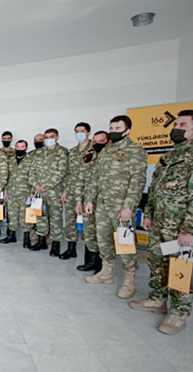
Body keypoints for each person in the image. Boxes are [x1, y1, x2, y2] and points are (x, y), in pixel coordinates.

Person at [130, 110, 193, 334]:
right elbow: (154, 190)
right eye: (176, 124)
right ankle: (157, 299)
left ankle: (179, 313)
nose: (175, 128)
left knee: (182, 268)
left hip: (183, 227)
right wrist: (148, 214)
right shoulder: (169, 157)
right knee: (157, 263)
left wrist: (189, 230)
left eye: (182, 125)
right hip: (160, 222)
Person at [84, 115, 147, 299]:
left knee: (124, 243)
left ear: (127, 131)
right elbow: (96, 177)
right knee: (103, 239)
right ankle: (106, 272)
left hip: (121, 206)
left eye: (118, 128)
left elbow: (137, 181)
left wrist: (128, 206)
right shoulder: (107, 150)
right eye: (111, 128)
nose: (113, 131)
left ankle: (129, 279)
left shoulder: (135, 150)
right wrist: (90, 199)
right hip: (102, 204)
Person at [28, 128, 68, 256]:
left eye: (52, 136)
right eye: (46, 137)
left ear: (57, 137)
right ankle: (41, 240)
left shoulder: (62, 152)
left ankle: (55, 244)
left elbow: (61, 172)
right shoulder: (39, 153)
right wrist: (35, 185)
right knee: (40, 216)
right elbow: (32, 170)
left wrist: (45, 186)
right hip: (38, 192)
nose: (49, 139)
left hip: (54, 191)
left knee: (55, 218)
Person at [75, 131, 109, 272]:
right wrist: (78, 201)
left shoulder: (111, 158)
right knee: (88, 233)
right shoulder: (89, 157)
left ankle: (102, 266)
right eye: (94, 141)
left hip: (105, 202)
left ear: (108, 141)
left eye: (101, 141)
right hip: (87, 201)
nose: (97, 144)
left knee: (102, 235)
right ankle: (90, 261)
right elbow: (80, 180)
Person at [60, 122, 93, 260]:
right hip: (72, 191)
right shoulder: (72, 152)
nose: (79, 134)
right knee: (70, 220)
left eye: (82, 131)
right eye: (77, 131)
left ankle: (89, 254)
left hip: (88, 191)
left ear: (88, 133)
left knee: (88, 223)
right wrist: (65, 190)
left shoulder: (94, 150)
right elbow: (68, 173)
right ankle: (71, 248)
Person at [1, 140, 32, 246]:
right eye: (17, 146)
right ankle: (11, 235)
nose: (19, 148)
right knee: (12, 215)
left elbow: (34, 176)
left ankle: (26, 237)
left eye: (22, 146)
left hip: (25, 192)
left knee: (25, 216)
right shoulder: (10, 160)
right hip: (11, 192)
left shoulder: (31, 160)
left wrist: (32, 192)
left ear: (26, 148)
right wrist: (5, 191)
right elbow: (6, 176)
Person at [0, 131, 17, 242]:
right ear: (1, 139)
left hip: (12, 185)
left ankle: (11, 232)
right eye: (4, 138)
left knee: (11, 210)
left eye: (8, 138)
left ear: (11, 139)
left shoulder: (15, 152)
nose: (6, 140)